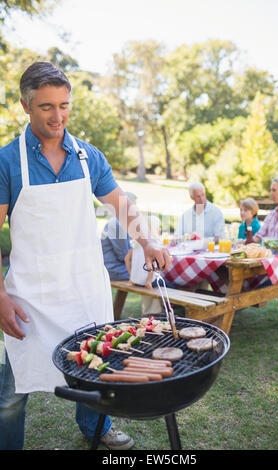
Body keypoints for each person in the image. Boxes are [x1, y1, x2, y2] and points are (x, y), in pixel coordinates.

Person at [0, 62, 171, 451]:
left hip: (83, 288)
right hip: (30, 296)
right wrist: (1, 296)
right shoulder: (7, 161)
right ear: (26, 106)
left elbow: (122, 205)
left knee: (98, 370)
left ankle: (97, 427)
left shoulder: (86, 156)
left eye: (64, 105)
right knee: (12, 392)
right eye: (46, 107)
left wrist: (148, 242)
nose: (58, 116)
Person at [125, 215, 163, 315]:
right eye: (159, 226)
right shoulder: (155, 244)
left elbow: (126, 259)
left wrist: (132, 277)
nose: (160, 229)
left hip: (136, 280)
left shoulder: (136, 243)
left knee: (156, 282)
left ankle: (147, 311)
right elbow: (153, 264)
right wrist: (149, 281)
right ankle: (156, 312)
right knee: (171, 284)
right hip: (147, 281)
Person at [101, 192, 137, 281]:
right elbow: (124, 256)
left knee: (150, 274)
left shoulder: (119, 221)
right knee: (150, 276)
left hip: (115, 267)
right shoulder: (118, 224)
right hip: (113, 269)